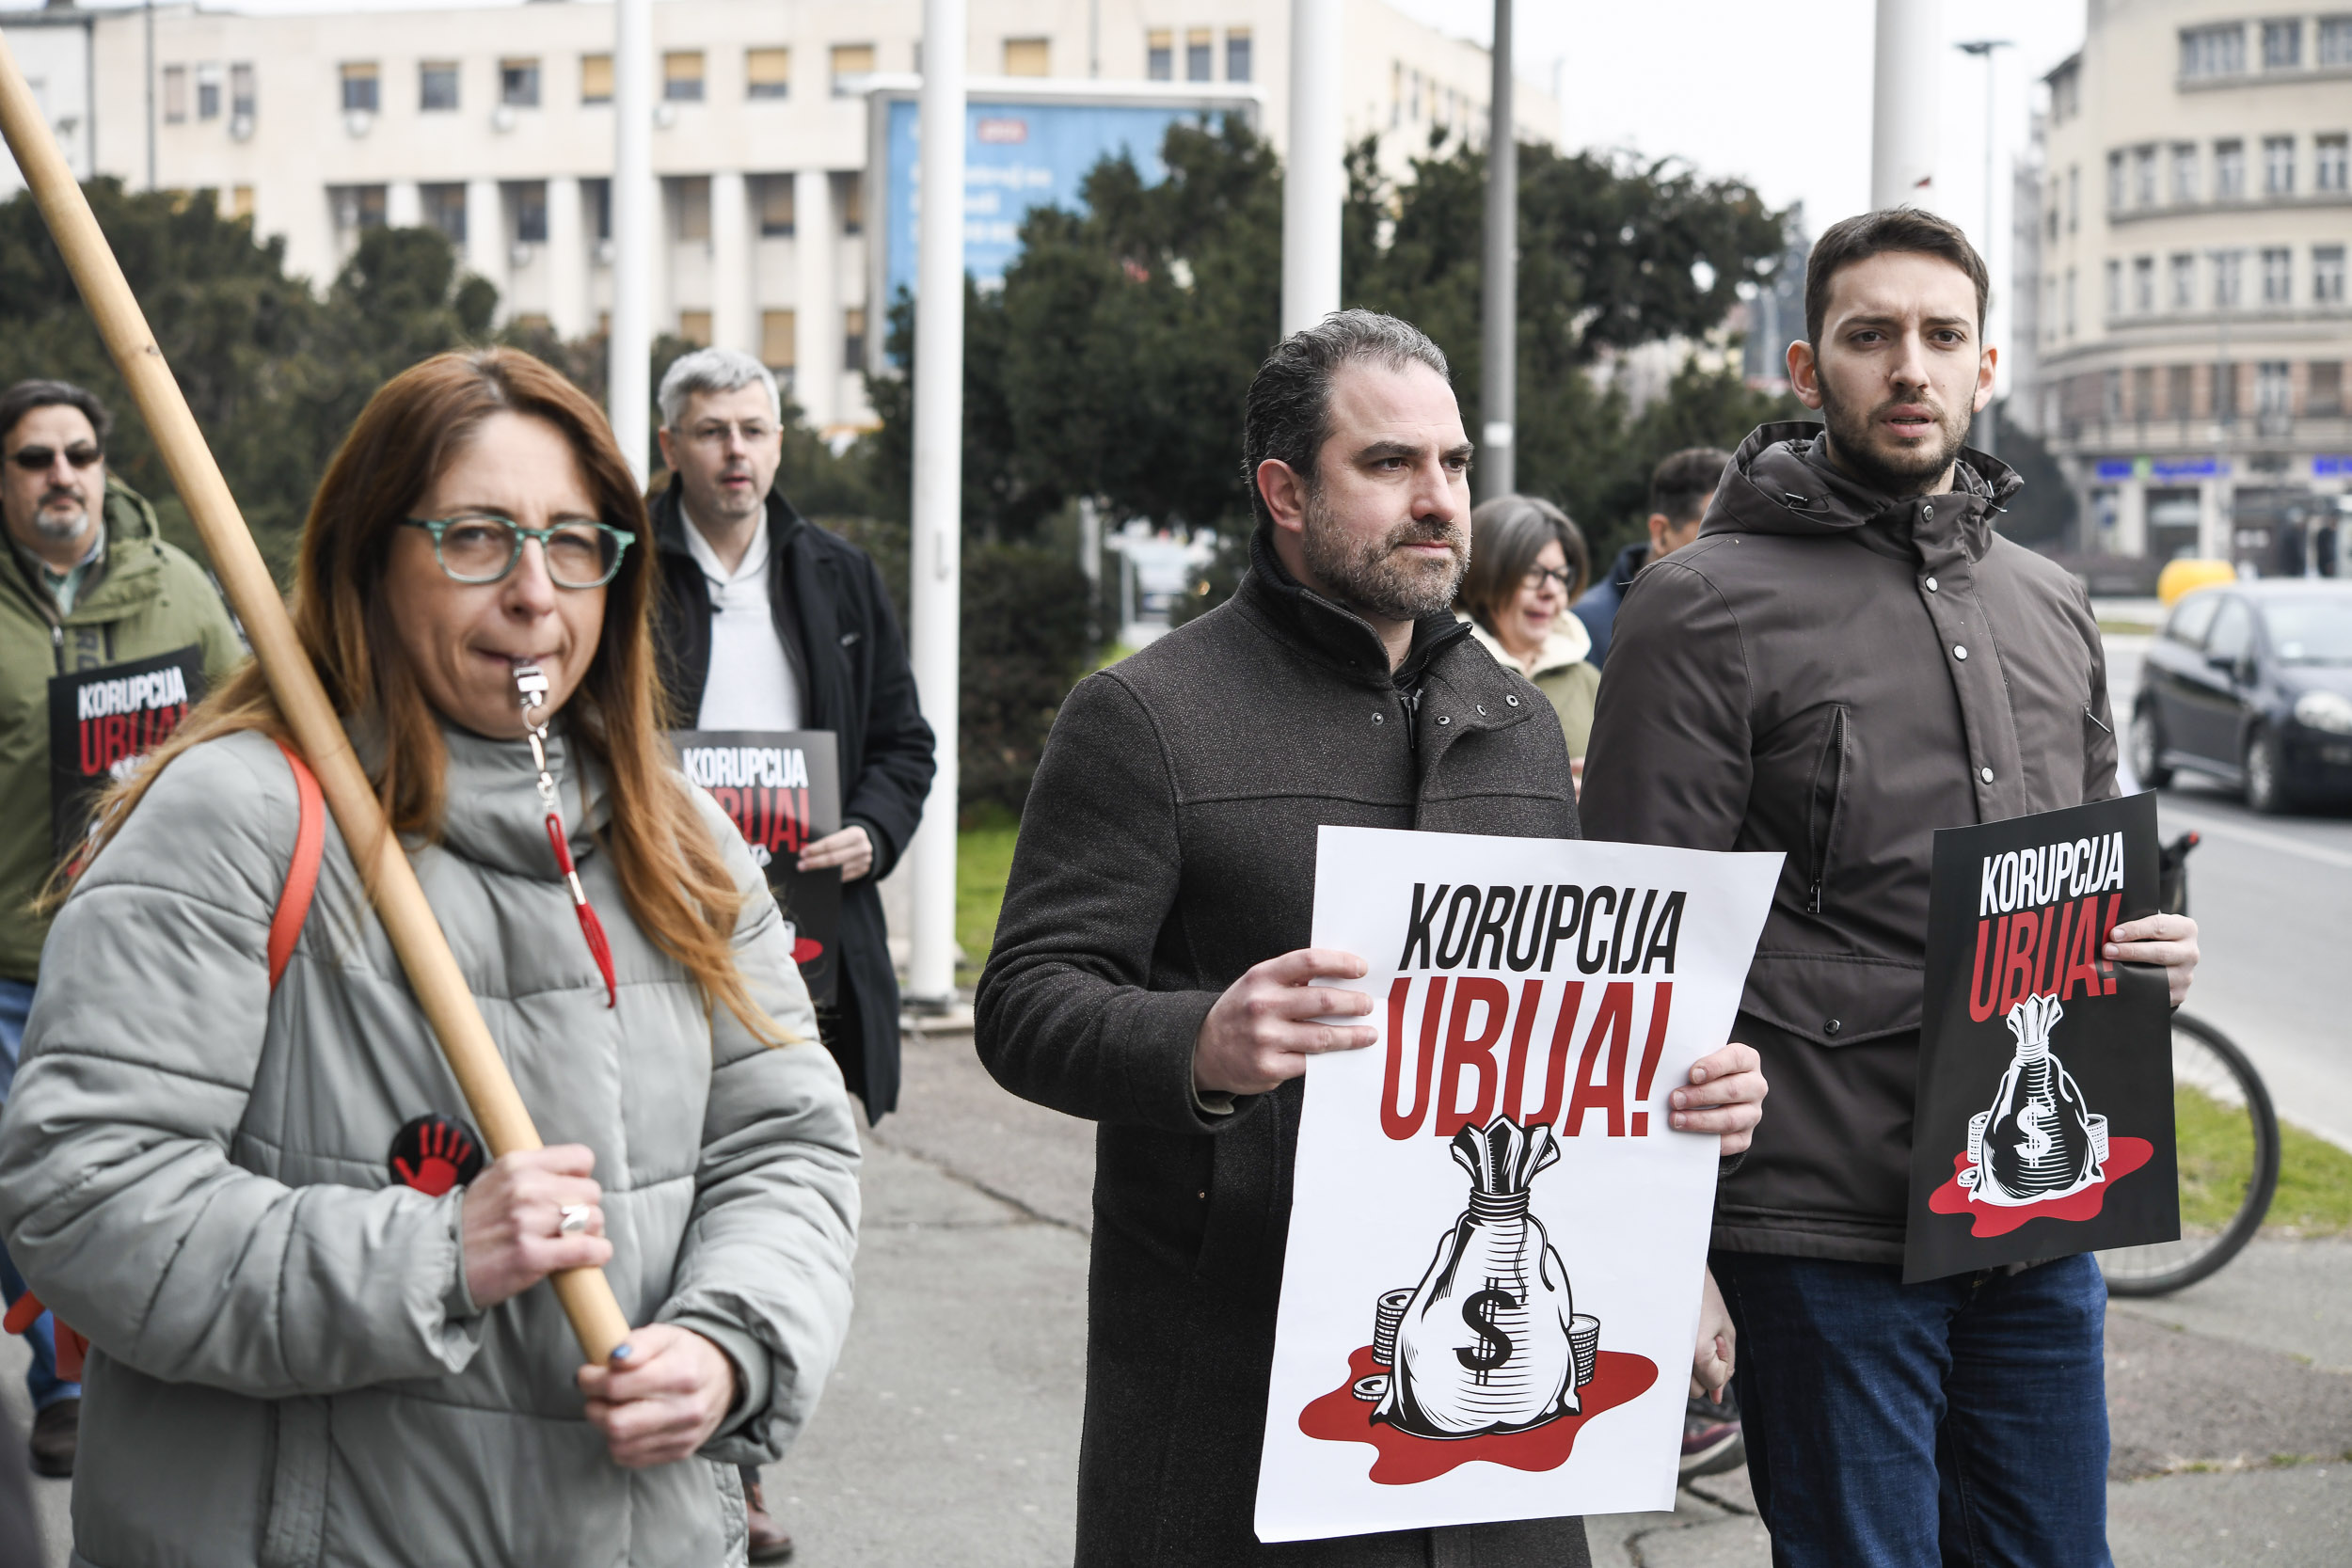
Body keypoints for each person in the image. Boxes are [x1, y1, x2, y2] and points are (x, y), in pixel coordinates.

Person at [0, 348, 860, 1565]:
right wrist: (435, 1254)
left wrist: (733, 1345)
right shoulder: (230, 820)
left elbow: (791, 1144)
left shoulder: (688, 840)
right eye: (474, 537)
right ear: (367, 554)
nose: (533, 594)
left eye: (575, 541)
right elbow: (82, 1195)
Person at [975, 310, 1767, 1566]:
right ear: (1284, 491)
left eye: (1452, 465)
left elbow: (1565, 1029)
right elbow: (1024, 1003)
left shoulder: (1513, 718)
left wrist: (1681, 1126)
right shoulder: (1145, 714)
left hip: (1502, 1421)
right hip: (1236, 1389)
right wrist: (1205, 1040)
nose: (1440, 499)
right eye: (1391, 463)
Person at [1581, 209, 2202, 1567]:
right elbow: (1631, 946)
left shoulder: (2052, 603)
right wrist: (1660, 1247)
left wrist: (2143, 959)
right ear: (1807, 370)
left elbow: (2081, 886)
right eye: (1871, 337)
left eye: (1939, 336)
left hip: (2038, 1213)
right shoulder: (1701, 607)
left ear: (1988, 365)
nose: (1907, 366)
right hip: (1820, 1224)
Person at [647, 346, 930, 1560]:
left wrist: (872, 828)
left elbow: (905, 743)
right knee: (666, 1199)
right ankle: (706, 1461)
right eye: (710, 431)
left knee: (777, 1204)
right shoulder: (617, 567)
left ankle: (746, 1461)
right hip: (660, 930)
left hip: (812, 942)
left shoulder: (836, 575)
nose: (736, 453)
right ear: (671, 447)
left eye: (754, 428)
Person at [0, 378, 244, 1479]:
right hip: (8, 953)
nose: (63, 476)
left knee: (113, 1169)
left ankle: (82, 1377)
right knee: (18, 1174)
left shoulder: (179, 588)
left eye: (81, 454)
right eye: (36, 457)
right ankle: (66, 1366)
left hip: (148, 945)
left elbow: (248, 725)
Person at [1454, 493, 1601, 761]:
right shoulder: (1442, 674)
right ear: (1485, 575)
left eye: (1561, 576)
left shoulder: (1590, 680)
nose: (1552, 591)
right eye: (1533, 573)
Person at [1570, 445, 1729, 669]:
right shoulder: (1578, 631)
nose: (1732, 548)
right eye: (1715, 531)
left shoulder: (1740, 624)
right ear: (1660, 533)